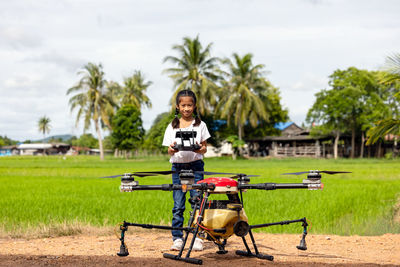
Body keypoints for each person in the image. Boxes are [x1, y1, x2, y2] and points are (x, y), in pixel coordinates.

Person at [162, 89, 211, 251]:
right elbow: (169, 150)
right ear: (177, 106)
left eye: (189, 105)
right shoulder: (172, 126)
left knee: (197, 201)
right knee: (178, 203)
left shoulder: (200, 125)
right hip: (178, 169)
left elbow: (204, 148)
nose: (186, 109)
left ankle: (198, 236)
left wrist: (198, 149)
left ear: (194, 106)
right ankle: (177, 238)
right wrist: (173, 149)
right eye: (183, 105)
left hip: (196, 167)